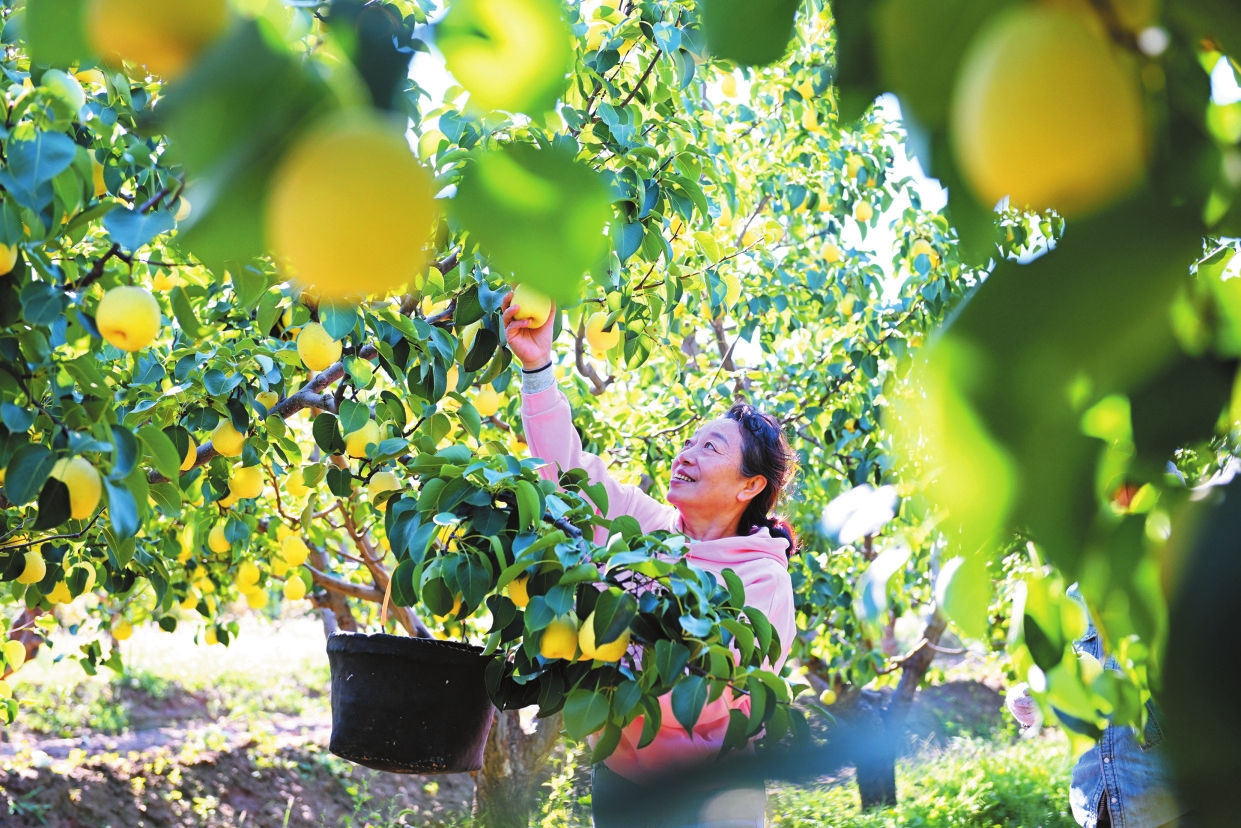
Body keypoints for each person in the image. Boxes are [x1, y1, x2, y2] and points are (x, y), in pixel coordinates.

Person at [503, 292, 799, 828]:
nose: (686, 454)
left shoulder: (762, 578)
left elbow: (707, 698)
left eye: (711, 448)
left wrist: (598, 655)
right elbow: (568, 472)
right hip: (622, 779)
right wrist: (538, 367)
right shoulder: (648, 526)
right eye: (689, 442)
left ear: (750, 486)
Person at [1005, 585, 1187, 828]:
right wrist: (1034, 698)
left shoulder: (1168, 581)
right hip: (1096, 803)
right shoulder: (1071, 595)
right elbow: (1062, 680)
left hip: (1164, 804)